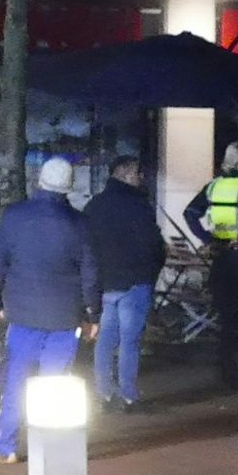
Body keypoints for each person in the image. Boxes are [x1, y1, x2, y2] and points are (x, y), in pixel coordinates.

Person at [0, 157, 100, 464]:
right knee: (55, 384)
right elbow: (90, 273)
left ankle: (6, 446)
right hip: (64, 318)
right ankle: (52, 452)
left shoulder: (14, 217)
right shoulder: (80, 224)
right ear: (68, 187)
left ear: (40, 181)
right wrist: (92, 315)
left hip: (22, 316)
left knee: (16, 380)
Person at [184, 141, 238, 392]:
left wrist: (209, 239)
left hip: (221, 259)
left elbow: (190, 212)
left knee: (228, 322)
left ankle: (227, 373)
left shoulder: (214, 186)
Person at [84, 156, 164, 412]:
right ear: (128, 174)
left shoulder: (94, 206)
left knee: (105, 339)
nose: (141, 179)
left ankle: (104, 394)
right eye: (138, 174)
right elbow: (154, 245)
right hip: (135, 282)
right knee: (130, 341)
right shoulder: (139, 206)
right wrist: (150, 274)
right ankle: (129, 395)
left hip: (105, 283)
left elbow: (87, 247)